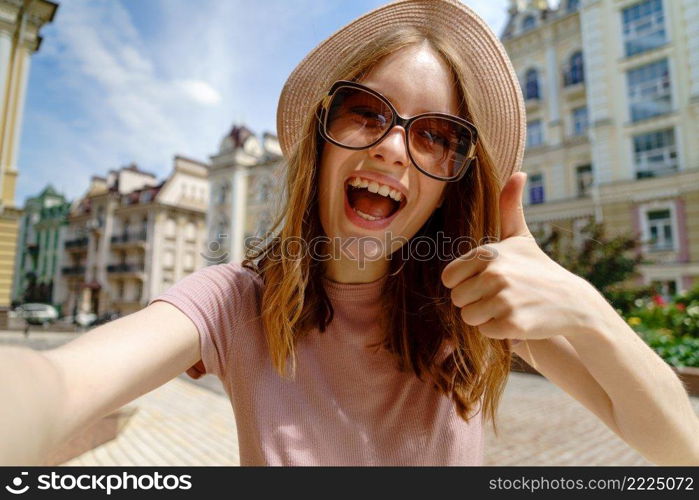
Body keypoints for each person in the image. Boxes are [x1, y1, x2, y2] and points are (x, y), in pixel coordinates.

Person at [1, 0, 698, 466]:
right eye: (366, 112)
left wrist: (585, 309)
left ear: (452, 180)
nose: (393, 149)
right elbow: (55, 384)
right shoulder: (232, 302)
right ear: (320, 142)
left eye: (434, 134)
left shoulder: (476, 305)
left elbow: (678, 446)